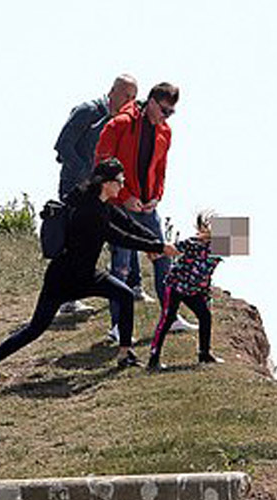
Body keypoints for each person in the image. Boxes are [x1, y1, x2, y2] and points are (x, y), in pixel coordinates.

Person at [0, 159, 178, 386]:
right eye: (119, 181)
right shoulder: (89, 211)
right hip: (63, 278)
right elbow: (119, 237)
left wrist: (156, 241)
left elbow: (129, 225)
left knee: (125, 295)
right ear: (106, 183)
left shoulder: (104, 204)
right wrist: (158, 248)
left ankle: (124, 354)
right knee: (35, 328)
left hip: (87, 274)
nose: (122, 184)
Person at [95, 82, 197, 335]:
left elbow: (161, 169)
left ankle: (170, 318)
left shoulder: (165, 132)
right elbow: (102, 161)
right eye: (164, 110)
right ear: (151, 102)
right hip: (119, 205)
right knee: (121, 265)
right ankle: (118, 327)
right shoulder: (120, 124)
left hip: (147, 207)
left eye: (171, 112)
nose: (167, 117)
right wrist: (126, 195)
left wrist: (156, 197)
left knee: (163, 257)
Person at [53, 74, 151, 312]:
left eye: (133, 97)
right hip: (77, 188)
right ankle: (68, 300)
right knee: (77, 242)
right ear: (112, 91)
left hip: (106, 190)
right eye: (125, 94)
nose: (129, 100)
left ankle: (135, 286)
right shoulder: (88, 111)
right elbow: (62, 145)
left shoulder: (126, 122)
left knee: (124, 227)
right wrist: (86, 175)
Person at [147, 211, 224, 371]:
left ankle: (204, 354)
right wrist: (157, 252)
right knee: (168, 318)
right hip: (175, 286)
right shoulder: (193, 243)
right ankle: (153, 359)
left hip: (193, 290)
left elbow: (207, 273)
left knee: (205, 316)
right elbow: (174, 249)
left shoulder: (218, 253)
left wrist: (205, 292)